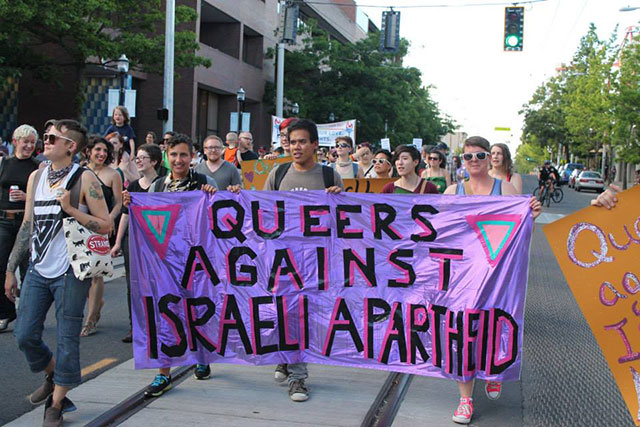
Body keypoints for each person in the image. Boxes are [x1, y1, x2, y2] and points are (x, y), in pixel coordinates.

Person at [5, 119, 112, 426]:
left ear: (71, 146)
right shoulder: (36, 176)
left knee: (68, 337)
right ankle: (53, 374)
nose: (46, 141)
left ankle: (57, 403)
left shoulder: (85, 179)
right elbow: (28, 226)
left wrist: (72, 209)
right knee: (25, 334)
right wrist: (11, 269)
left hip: (70, 271)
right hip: (38, 268)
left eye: (52, 137)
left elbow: (106, 225)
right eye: (46, 136)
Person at [444, 136, 542, 425]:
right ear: (462, 160)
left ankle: (492, 370)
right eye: (468, 156)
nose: (474, 161)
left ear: (489, 159)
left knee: (491, 325)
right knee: (461, 332)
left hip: (497, 273)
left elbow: (522, 229)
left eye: (480, 155)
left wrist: (532, 215)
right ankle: (465, 399)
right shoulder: (452, 191)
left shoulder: (505, 189)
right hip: (461, 275)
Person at [254, 119, 342, 402]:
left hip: (315, 261)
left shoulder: (329, 177)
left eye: (302, 141)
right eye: (292, 142)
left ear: (315, 144)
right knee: (286, 314)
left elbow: (341, 222)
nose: (296, 147)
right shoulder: (278, 174)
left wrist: (338, 200)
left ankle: (292, 365)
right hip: (283, 260)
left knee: (302, 316)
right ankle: (297, 376)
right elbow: (260, 212)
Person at [123, 134, 217, 397]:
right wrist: (131, 205)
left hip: (197, 260)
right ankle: (163, 373)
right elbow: (146, 220)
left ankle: (202, 356)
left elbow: (221, 217)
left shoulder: (204, 182)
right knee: (167, 312)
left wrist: (214, 196)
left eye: (184, 154)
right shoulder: (157, 186)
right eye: (174, 154)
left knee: (197, 310)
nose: (178, 160)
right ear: (166, 156)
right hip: (166, 261)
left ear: (192, 157)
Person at [111, 143, 162, 343]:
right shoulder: (132, 187)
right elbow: (125, 216)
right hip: (133, 239)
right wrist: (117, 243)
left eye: (143, 158)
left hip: (154, 242)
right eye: (137, 158)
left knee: (155, 283)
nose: (138, 161)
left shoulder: (162, 185)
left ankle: (156, 324)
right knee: (133, 284)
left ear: (155, 162)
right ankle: (136, 327)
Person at [0, 125, 41, 331]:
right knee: (2, 266)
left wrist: (27, 198)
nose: (29, 146)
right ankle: (6, 312)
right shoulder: (4, 163)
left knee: (28, 269)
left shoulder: (38, 167)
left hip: (28, 222)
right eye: (25, 141)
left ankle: (27, 314)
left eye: (32, 142)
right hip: (4, 220)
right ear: (15, 142)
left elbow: (41, 195)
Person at [81, 136, 123, 337]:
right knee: (83, 274)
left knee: (97, 274)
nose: (102, 154)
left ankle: (90, 320)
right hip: (80, 227)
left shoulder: (112, 174)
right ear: (88, 151)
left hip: (101, 229)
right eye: (98, 149)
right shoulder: (80, 172)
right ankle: (96, 302)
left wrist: (111, 219)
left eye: (105, 151)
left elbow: (118, 202)